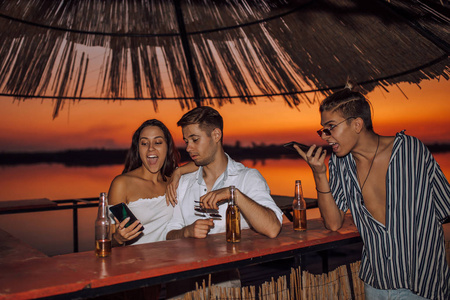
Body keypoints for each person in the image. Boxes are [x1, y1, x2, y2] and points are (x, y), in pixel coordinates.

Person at [294, 83, 450, 299]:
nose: (325, 136)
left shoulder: (410, 151)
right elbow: (333, 223)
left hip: (421, 285)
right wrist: (320, 174)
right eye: (323, 129)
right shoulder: (341, 164)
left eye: (330, 127)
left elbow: (444, 211)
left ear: (357, 124)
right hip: (376, 284)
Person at [164, 106, 283, 298]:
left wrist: (233, 194)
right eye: (186, 141)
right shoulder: (183, 183)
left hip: (225, 283)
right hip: (181, 284)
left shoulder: (247, 178)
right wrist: (186, 231)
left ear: (216, 134)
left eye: (195, 139)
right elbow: (169, 235)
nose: (188, 148)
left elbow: (272, 228)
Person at [108, 119, 180, 246]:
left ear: (167, 146)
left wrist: (179, 172)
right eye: (144, 143)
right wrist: (118, 239)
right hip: (134, 263)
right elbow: (107, 243)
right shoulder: (122, 184)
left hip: (170, 260)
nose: (151, 148)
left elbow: (202, 163)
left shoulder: (173, 181)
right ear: (138, 149)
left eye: (158, 142)